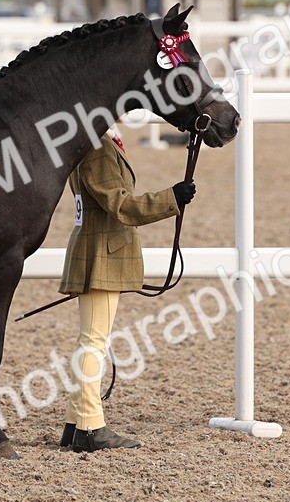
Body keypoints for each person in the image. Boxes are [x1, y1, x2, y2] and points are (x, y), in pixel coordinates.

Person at [57, 126, 196, 453]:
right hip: (102, 251)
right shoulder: (97, 144)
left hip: (97, 248)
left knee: (90, 340)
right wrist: (170, 199)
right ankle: (90, 427)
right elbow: (120, 205)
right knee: (94, 341)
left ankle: (76, 423)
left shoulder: (93, 138)